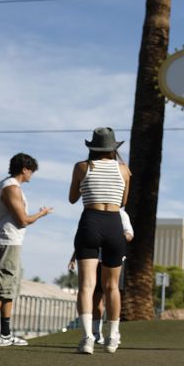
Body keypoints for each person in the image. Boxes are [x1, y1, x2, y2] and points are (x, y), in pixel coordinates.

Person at [0, 153, 53, 347]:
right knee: (2, 287)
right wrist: (41, 214)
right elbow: (23, 220)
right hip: (7, 240)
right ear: (25, 169)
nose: (32, 175)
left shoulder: (8, 185)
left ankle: (5, 334)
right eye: (31, 171)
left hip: (10, 241)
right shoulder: (11, 187)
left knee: (9, 289)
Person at [69, 127, 131, 354]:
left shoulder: (81, 167)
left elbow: (72, 198)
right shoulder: (124, 170)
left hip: (90, 222)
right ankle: (112, 338)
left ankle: (87, 338)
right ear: (113, 148)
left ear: (92, 148)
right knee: (112, 286)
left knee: (86, 286)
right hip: (113, 223)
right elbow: (123, 201)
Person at [67, 208, 133, 346]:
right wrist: (74, 257)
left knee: (111, 291)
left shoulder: (121, 214)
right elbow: (83, 239)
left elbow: (129, 233)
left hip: (113, 259)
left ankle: (113, 334)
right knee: (95, 295)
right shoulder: (91, 212)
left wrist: (115, 239)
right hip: (94, 260)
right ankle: (95, 333)